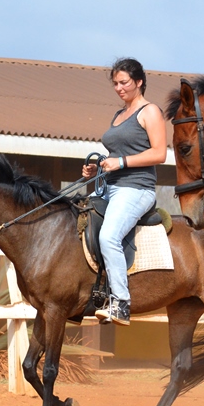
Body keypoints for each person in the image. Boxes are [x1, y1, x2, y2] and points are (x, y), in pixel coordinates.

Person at [82, 58, 167, 325]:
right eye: (115, 83)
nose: (119, 88)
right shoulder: (119, 115)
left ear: (139, 82)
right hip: (110, 186)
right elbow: (116, 154)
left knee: (108, 237)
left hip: (136, 189)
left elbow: (160, 153)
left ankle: (120, 303)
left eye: (124, 82)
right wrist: (97, 169)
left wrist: (121, 162)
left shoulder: (150, 111)